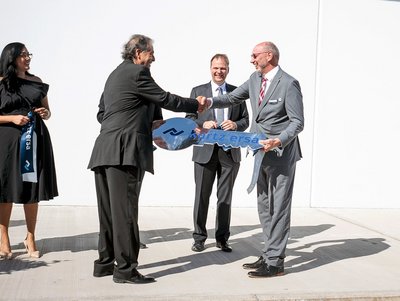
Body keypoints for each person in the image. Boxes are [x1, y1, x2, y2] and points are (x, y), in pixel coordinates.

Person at [87, 34, 205, 284]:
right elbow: (165, 98)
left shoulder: (114, 75)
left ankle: (105, 264)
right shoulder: (138, 73)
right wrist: (196, 104)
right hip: (125, 153)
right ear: (138, 53)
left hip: (104, 150)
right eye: (151, 52)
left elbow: (102, 113)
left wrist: (142, 123)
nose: (154, 57)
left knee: (109, 212)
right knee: (126, 213)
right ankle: (126, 270)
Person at [203, 41, 304, 277]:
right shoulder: (254, 79)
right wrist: (208, 101)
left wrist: (278, 140)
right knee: (264, 206)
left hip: (280, 154)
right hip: (259, 151)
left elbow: (297, 122)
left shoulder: (289, 83)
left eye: (255, 55)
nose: (251, 59)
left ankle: (276, 262)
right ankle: (269, 252)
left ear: (269, 56)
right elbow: (231, 98)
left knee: (279, 208)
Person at [0, 42, 58, 259]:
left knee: (31, 187)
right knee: (5, 188)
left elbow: (49, 112)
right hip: (6, 142)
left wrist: (45, 113)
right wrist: (11, 118)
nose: (27, 58)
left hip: (35, 139)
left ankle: (30, 236)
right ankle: (3, 238)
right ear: (10, 57)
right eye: (22, 55)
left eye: (28, 54)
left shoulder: (37, 82)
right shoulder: (1, 83)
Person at [186, 54, 249, 253]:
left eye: (222, 68)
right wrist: (202, 123)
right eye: (215, 68)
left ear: (228, 69)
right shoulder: (198, 91)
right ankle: (199, 238)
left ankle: (222, 239)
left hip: (229, 154)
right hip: (204, 152)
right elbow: (188, 119)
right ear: (210, 68)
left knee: (225, 197)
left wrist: (236, 124)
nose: (219, 71)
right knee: (201, 196)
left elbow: (246, 120)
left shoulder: (236, 93)